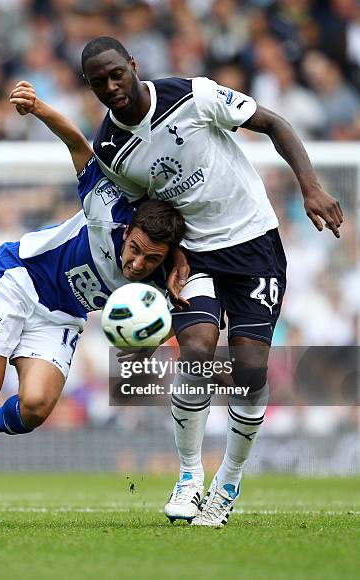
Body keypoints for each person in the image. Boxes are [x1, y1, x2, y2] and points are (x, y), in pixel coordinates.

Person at [0, 82, 186, 528]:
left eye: (151, 259)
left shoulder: (157, 285)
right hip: (18, 279)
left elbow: (162, 330)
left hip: (62, 315)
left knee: (34, 408)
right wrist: (38, 107)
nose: (137, 263)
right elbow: (77, 143)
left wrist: (153, 332)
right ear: (128, 232)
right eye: (137, 249)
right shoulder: (106, 208)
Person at [81, 36, 344, 527]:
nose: (112, 86)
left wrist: (310, 186)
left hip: (254, 247)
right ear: (90, 86)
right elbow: (150, 212)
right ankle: (187, 477)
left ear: (133, 65)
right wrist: (171, 259)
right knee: (198, 352)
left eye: (117, 73)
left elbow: (273, 123)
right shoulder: (111, 150)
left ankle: (228, 480)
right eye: (99, 82)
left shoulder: (191, 96)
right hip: (196, 256)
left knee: (248, 374)